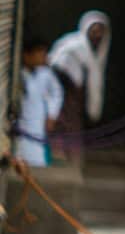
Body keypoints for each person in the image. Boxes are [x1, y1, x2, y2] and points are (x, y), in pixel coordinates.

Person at [49, 10, 111, 157]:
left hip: (74, 93)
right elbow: (58, 64)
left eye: (100, 32)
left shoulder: (94, 53)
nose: (97, 35)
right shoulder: (73, 46)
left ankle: (69, 154)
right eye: (94, 31)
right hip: (65, 88)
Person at [16, 39, 63, 167]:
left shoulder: (45, 73)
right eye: (40, 53)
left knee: (37, 155)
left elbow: (57, 93)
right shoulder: (18, 74)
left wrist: (51, 115)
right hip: (21, 122)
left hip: (38, 120)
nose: (44, 57)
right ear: (26, 56)